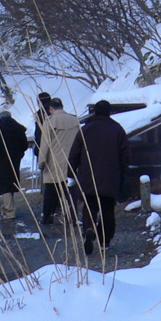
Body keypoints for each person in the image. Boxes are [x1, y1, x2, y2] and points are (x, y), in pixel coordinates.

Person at [68, 99, 129, 256]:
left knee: (89, 206)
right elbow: (125, 155)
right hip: (110, 178)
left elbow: (74, 153)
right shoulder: (117, 129)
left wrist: (70, 172)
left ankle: (89, 228)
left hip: (88, 177)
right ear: (109, 112)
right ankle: (104, 242)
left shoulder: (86, 129)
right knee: (107, 209)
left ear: (95, 112)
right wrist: (122, 174)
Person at [0, 109, 29, 240]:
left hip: (0, 161)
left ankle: (8, 211)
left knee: (3, 185)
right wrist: (18, 154)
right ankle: (8, 208)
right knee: (11, 182)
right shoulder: (18, 128)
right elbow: (24, 144)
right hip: (14, 160)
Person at [37, 97, 79, 228]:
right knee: (70, 193)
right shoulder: (75, 120)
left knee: (50, 192)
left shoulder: (49, 122)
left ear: (50, 109)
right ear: (62, 106)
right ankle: (72, 218)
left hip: (53, 163)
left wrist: (41, 163)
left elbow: (45, 145)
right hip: (72, 162)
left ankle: (47, 217)